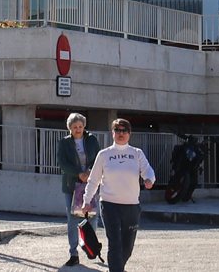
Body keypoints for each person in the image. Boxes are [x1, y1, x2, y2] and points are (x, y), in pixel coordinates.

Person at [77, 118, 155, 272]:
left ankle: (117, 268)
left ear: (129, 134)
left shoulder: (136, 153)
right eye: (117, 130)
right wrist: (87, 201)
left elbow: (148, 170)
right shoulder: (104, 154)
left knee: (127, 247)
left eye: (124, 130)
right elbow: (93, 180)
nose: (121, 133)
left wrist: (149, 179)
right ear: (112, 133)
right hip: (109, 204)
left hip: (132, 206)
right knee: (115, 244)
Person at [56, 112, 103, 267]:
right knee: (72, 220)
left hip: (90, 183)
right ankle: (73, 253)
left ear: (84, 127)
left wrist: (90, 171)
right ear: (70, 128)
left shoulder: (92, 140)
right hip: (72, 185)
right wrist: (79, 173)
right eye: (75, 127)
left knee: (93, 217)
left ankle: (90, 246)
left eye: (80, 126)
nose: (78, 129)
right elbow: (62, 163)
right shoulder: (64, 143)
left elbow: (99, 157)